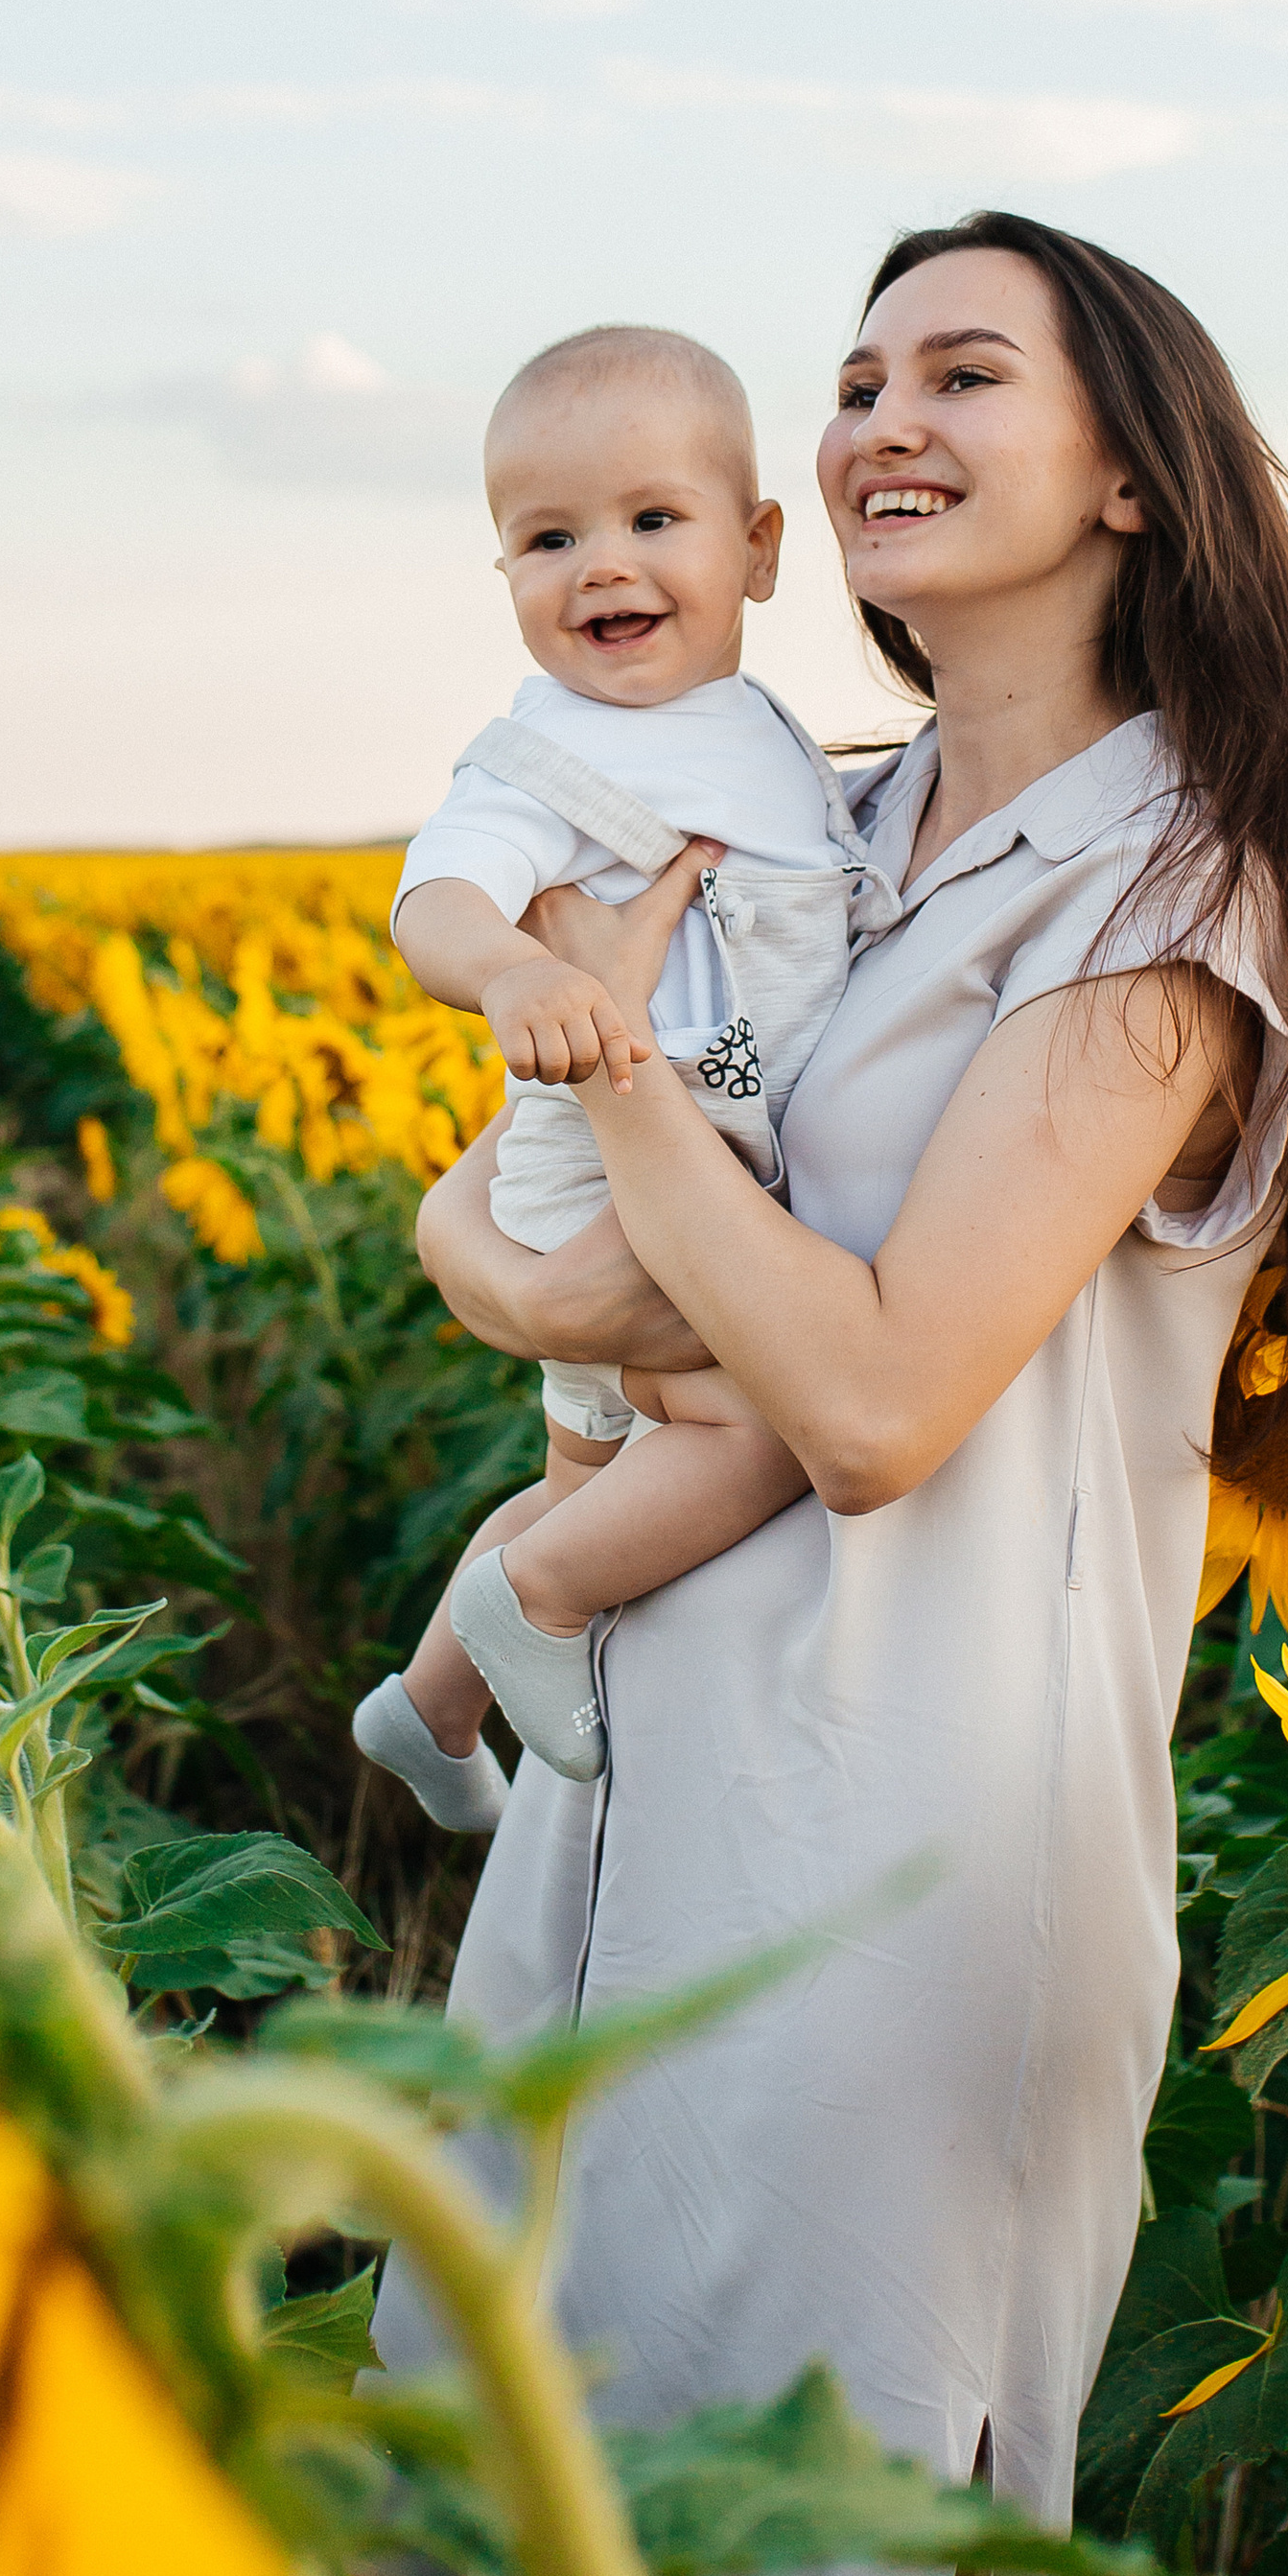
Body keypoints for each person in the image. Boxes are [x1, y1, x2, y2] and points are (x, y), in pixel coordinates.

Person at [380, 213, 1288, 2576]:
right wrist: (532, 1265)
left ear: (1125, 478)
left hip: (890, 1845)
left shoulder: (1170, 886)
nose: (881, 419)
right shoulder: (808, 820)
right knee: (523, 2515)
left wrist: (617, 1083)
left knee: (793, 2562)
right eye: (856, 377)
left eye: (962, 373)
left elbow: (874, 1400)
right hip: (626, 1764)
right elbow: (505, 1217)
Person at [351, 320, 887, 1833]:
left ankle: (430, 1706)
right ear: (503, 574)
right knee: (752, 1434)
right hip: (612, 1170)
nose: (604, 565)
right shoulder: (548, 758)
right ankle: (540, 1608)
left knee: (591, 1472)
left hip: (674, 1150)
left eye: (654, 521)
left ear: (760, 548)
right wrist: (520, 972)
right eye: (549, 537)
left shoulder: (756, 738)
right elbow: (438, 901)